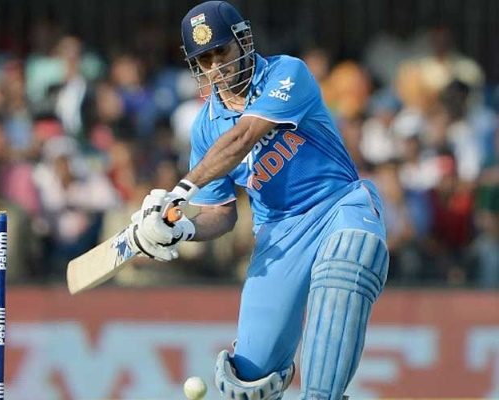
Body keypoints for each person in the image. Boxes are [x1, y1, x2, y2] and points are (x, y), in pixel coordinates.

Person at [124, 2, 389, 399]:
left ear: (243, 41)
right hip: (278, 234)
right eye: (205, 59)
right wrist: (182, 228)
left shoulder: (286, 73)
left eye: (222, 51)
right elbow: (220, 213)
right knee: (249, 379)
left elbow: (244, 137)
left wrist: (178, 193)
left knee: (347, 263)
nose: (217, 66)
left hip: (337, 204)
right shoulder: (205, 127)